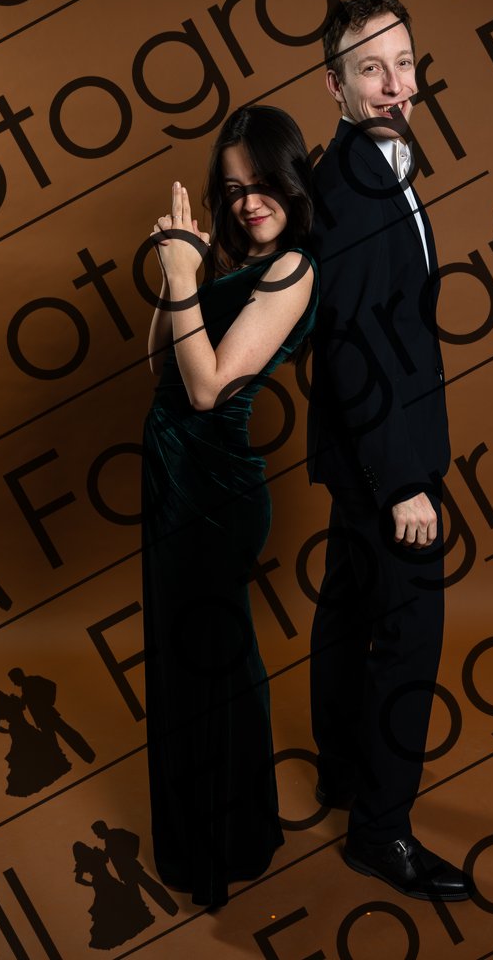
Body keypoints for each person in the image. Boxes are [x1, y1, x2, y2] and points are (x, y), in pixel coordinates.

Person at [307, 0, 473, 900]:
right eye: (369, 68)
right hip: (385, 459)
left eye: (403, 64)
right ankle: (381, 832)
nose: (393, 84)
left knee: (345, 608)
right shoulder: (351, 186)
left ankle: (340, 772)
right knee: (408, 636)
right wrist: (403, 481)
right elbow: (348, 346)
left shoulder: (381, 161)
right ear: (334, 87)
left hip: (358, 449)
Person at [141, 105, 317, 908]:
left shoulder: (292, 271)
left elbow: (209, 389)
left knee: (213, 658)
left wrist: (185, 280)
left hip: (214, 489)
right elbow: (161, 365)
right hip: (171, 476)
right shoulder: (233, 264)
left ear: (292, 180)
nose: (249, 201)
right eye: (234, 187)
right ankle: (196, 836)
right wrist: (181, 270)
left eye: (263, 183)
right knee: (181, 660)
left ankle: (228, 841)